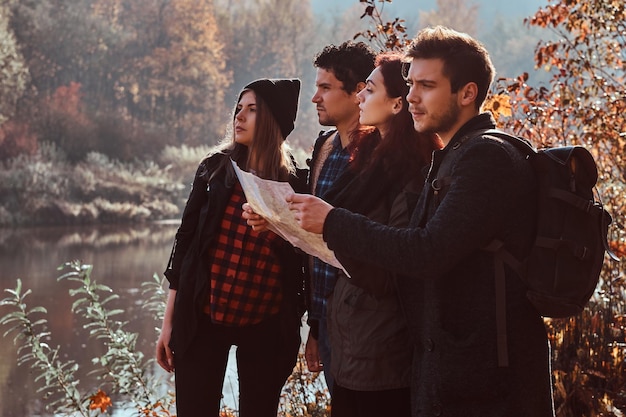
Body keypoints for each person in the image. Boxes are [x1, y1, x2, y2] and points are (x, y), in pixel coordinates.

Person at [286, 26, 555, 417]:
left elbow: (426, 251)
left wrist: (332, 221)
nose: (411, 96)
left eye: (426, 86)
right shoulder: (453, 155)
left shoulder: (486, 158)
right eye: (410, 83)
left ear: (467, 94)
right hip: (456, 374)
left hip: (489, 384)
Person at [156, 78, 307, 417]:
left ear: (273, 121)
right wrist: (169, 324)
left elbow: (304, 258)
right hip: (204, 317)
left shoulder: (296, 182)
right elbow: (184, 246)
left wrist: (275, 229)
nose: (239, 116)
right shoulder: (215, 168)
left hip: (266, 325)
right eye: (239, 108)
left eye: (252, 110)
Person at [321, 52, 442, 417]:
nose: (359, 96)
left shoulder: (410, 174)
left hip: (383, 354)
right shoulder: (370, 160)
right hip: (350, 343)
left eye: (369, 90)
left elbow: (397, 268)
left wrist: (332, 230)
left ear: (396, 104)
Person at [304, 40, 376, 395]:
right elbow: (316, 246)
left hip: (368, 327)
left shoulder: (382, 155)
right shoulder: (324, 147)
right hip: (327, 322)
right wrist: (315, 328)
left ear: (358, 93)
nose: (315, 97)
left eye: (325, 88)